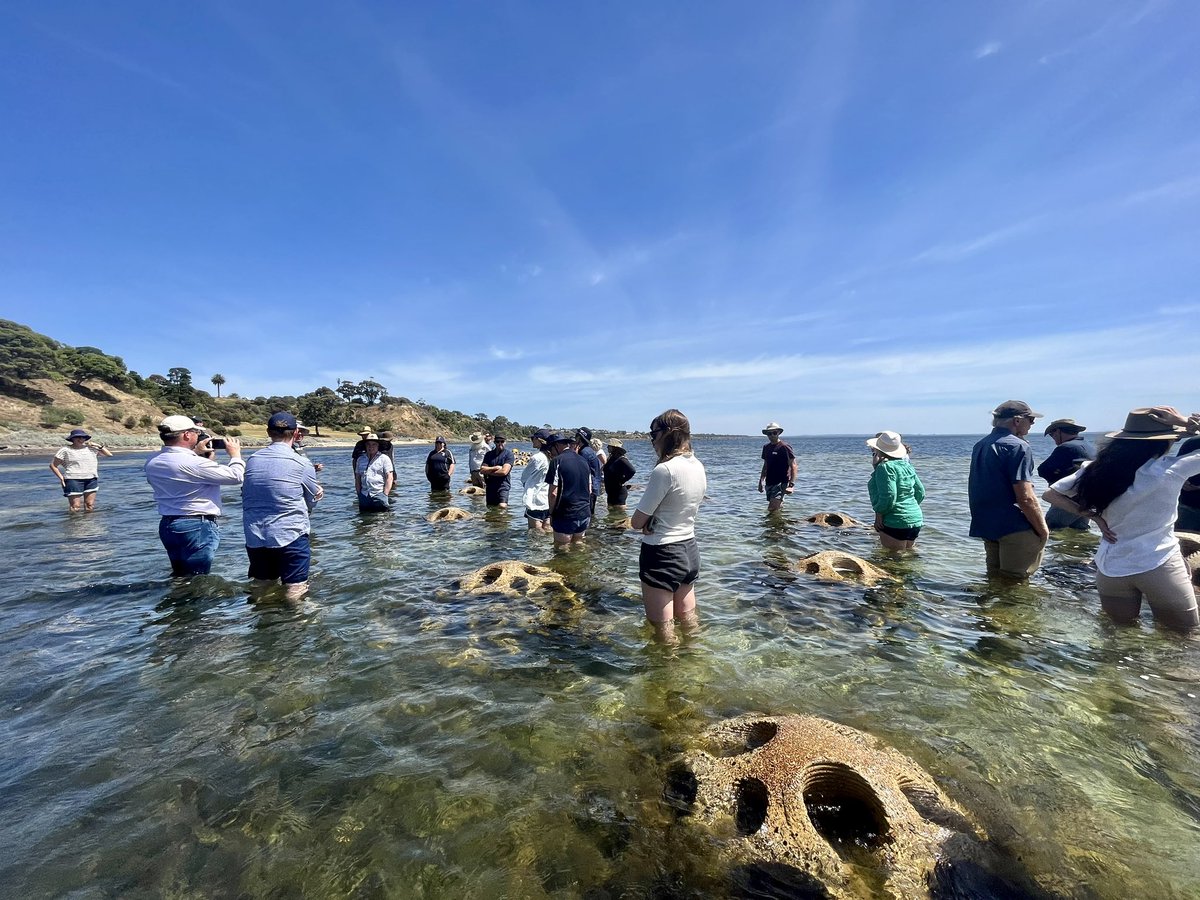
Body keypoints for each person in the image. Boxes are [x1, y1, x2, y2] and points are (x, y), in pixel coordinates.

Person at [1043, 407, 1200, 629]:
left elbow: (1050, 494)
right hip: (1158, 564)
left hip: (1111, 568)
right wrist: (1185, 422)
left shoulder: (1096, 469)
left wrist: (1091, 515)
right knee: (1182, 637)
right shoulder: (1171, 469)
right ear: (1164, 441)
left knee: (1116, 637)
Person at [630, 409, 707, 641]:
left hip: (661, 554)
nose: (652, 440)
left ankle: (667, 675)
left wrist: (648, 521)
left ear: (667, 434)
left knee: (662, 631)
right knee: (689, 623)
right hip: (689, 551)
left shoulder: (664, 470)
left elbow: (636, 522)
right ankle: (695, 666)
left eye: (653, 434)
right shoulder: (698, 466)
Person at [143, 415, 244, 576]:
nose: (198, 436)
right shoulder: (194, 463)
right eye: (196, 432)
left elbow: (182, 469)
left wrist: (196, 453)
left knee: (180, 575)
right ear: (186, 435)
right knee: (197, 578)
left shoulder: (152, 461)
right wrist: (235, 455)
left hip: (168, 524)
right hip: (196, 525)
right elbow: (236, 476)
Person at [242, 412, 324, 600]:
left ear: (268, 432)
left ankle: (262, 619)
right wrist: (318, 494)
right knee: (295, 588)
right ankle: (296, 625)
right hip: (290, 534)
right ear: (295, 433)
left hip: (255, 535)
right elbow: (311, 501)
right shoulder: (302, 462)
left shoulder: (253, 459)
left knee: (261, 585)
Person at [968, 400, 1049, 579]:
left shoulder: (981, 444)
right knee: (1016, 585)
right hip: (1015, 526)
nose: (1032, 424)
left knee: (994, 580)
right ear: (1017, 421)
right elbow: (1026, 498)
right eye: (1031, 420)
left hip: (987, 524)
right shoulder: (1018, 446)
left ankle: (989, 608)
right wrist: (1043, 529)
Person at [866, 430, 925, 550]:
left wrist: (879, 515)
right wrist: (908, 507)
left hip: (895, 520)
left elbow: (889, 497)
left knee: (892, 560)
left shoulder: (885, 467)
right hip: (915, 518)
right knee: (908, 558)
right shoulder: (907, 466)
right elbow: (920, 492)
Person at [1037, 418, 1095, 530]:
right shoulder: (1088, 446)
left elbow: (1042, 470)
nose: (1052, 437)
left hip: (1069, 499)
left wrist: (1057, 482)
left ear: (1058, 431)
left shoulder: (1066, 447)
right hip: (1089, 499)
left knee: (1047, 529)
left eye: (1052, 434)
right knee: (1080, 532)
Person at [544, 433, 592, 543]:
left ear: (557, 445)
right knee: (579, 546)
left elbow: (553, 494)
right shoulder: (583, 461)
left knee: (562, 549)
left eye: (550, 448)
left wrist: (551, 514)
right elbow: (589, 490)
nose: (550, 452)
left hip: (565, 514)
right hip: (584, 512)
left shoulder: (556, 461)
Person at [49, 428, 113, 511]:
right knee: (76, 506)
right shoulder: (65, 450)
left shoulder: (92, 449)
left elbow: (109, 455)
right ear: (72, 439)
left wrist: (97, 445)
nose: (81, 439)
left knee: (90, 505)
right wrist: (61, 478)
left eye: (83, 437)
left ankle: (88, 523)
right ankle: (73, 523)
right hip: (73, 480)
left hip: (91, 479)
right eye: (78, 437)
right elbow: (53, 465)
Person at [757, 421, 796, 512]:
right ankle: (782, 524)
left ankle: (772, 525)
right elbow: (765, 465)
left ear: (778, 433)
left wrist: (791, 484)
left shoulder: (784, 447)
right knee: (777, 508)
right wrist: (761, 481)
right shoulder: (766, 447)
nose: (772, 435)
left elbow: (793, 465)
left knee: (772, 509)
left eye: (774, 433)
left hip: (781, 482)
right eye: (769, 433)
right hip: (769, 482)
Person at [354, 433, 394, 511]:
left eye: (374, 444)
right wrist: (359, 494)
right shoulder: (360, 459)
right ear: (365, 446)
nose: (371, 447)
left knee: (382, 520)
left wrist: (385, 494)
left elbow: (389, 477)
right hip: (364, 495)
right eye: (368, 444)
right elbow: (357, 478)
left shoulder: (384, 459)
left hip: (379, 494)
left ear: (378, 446)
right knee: (364, 520)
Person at [521, 429, 552, 530]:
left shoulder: (537, 457)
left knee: (535, 531)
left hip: (535, 499)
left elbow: (524, 477)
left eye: (532, 438)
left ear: (539, 440)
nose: (532, 441)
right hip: (548, 498)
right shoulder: (552, 457)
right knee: (547, 528)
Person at [1174, 434, 1200, 533]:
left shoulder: (1191, 442)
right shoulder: (1193, 442)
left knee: (1186, 543)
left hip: (1187, 504)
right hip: (1188, 505)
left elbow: (1174, 471)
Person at [575, 428, 603, 516]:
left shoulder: (584, 452)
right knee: (590, 515)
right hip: (593, 488)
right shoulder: (588, 450)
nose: (575, 439)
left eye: (576, 436)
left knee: (586, 515)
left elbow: (581, 472)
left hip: (588, 489)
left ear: (580, 438)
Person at [480, 434, 514, 507]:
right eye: (498, 442)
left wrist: (489, 472)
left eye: (502, 441)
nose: (500, 444)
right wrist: (495, 468)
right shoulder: (489, 454)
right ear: (495, 442)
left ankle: (502, 518)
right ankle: (494, 518)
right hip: (490, 486)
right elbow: (482, 470)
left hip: (503, 485)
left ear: (505, 442)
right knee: (490, 507)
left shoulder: (509, 454)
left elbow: (504, 472)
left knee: (502, 506)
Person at [602, 439, 637, 507]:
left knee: (620, 516)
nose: (607, 447)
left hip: (619, 493)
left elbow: (632, 471)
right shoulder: (611, 459)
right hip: (610, 493)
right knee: (611, 516)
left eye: (609, 446)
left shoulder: (621, 459)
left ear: (614, 448)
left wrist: (622, 480)